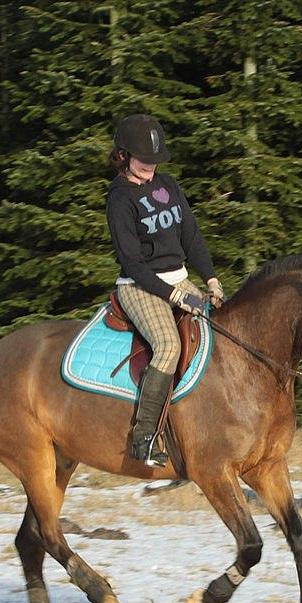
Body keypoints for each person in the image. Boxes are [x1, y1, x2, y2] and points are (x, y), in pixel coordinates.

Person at [106, 113, 224, 467]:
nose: (151, 168)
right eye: (145, 161)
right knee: (169, 346)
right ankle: (144, 437)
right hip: (140, 286)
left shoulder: (168, 185)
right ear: (124, 156)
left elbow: (190, 235)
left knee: (218, 333)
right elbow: (133, 263)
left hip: (178, 278)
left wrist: (212, 280)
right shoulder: (119, 199)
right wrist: (173, 295)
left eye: (156, 161)